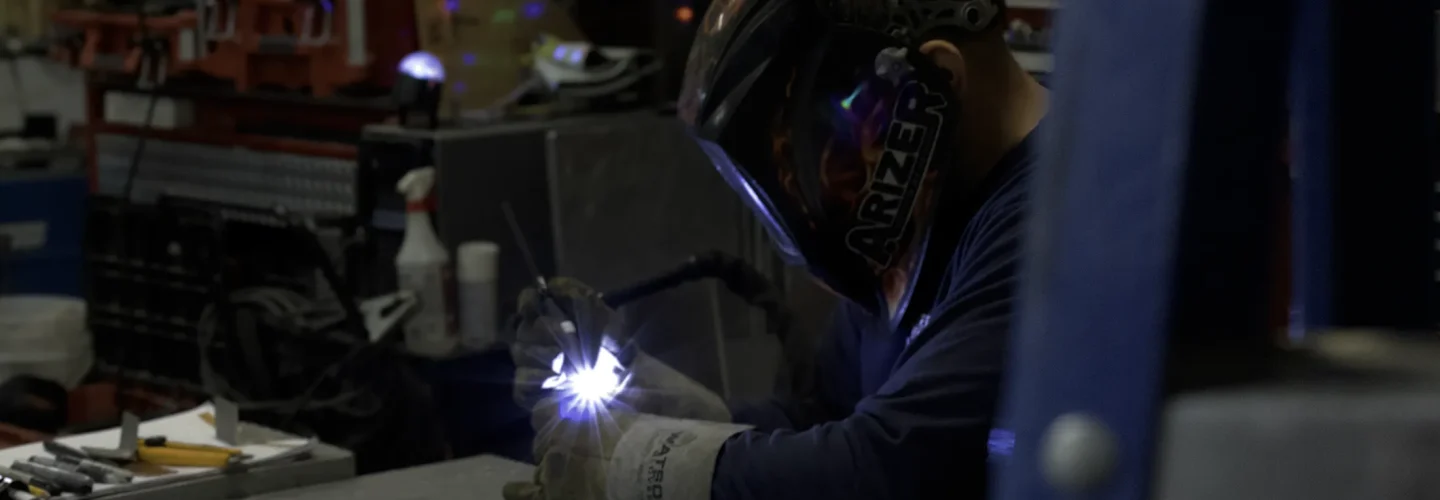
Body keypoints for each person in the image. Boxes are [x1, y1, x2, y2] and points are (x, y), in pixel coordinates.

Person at [504, 0, 1049, 497]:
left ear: (939, 80)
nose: (816, 204)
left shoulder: (1053, 219)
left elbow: (890, 466)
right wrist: (670, 412)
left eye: (828, 152)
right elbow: (828, 418)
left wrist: (643, 465)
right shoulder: (914, 217)